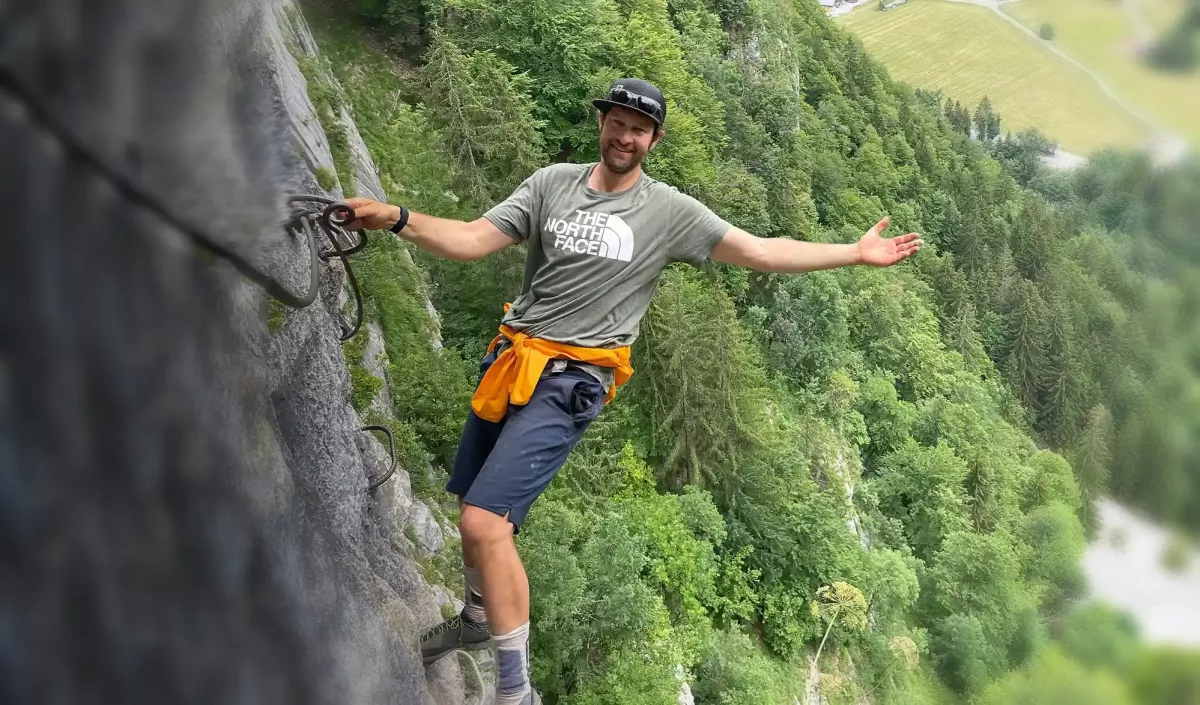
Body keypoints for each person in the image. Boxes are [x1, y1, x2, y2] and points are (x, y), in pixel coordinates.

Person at [343, 77, 922, 705]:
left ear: (654, 139)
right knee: (470, 515)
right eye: (617, 122)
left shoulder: (667, 211)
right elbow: (472, 240)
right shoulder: (551, 184)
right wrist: (393, 217)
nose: (625, 136)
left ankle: (515, 692)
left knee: (487, 523)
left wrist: (854, 254)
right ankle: (479, 619)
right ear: (602, 124)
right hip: (515, 358)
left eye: (638, 129)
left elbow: (761, 252)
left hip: (574, 380)